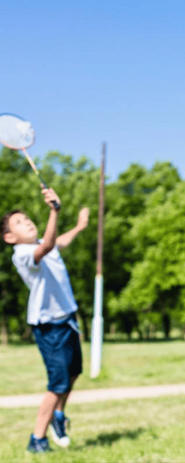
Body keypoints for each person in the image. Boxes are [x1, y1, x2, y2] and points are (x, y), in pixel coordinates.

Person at [2, 186, 89, 454]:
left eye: (27, 218)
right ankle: (37, 439)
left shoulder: (42, 244)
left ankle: (58, 416)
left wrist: (79, 227)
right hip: (49, 326)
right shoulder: (23, 254)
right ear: (9, 237)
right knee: (57, 383)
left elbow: (58, 242)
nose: (28, 222)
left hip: (67, 319)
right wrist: (54, 211)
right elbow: (49, 245)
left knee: (73, 373)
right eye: (19, 222)